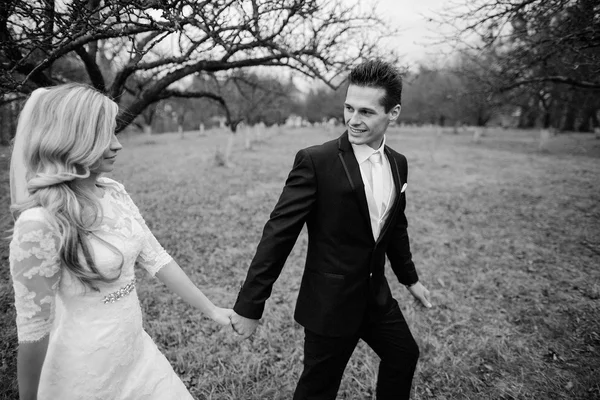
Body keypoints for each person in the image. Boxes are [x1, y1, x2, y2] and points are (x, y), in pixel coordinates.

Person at [8, 83, 233, 400]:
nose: (117, 146)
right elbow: (33, 332)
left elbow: (157, 257)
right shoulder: (39, 226)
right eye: (104, 137)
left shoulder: (113, 191)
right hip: (84, 375)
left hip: (137, 356)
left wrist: (211, 310)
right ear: (72, 141)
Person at [230, 59, 432, 399]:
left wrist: (410, 279)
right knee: (318, 390)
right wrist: (250, 306)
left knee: (404, 355)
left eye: (366, 112)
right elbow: (278, 235)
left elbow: (395, 225)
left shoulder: (398, 163)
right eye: (349, 108)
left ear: (393, 113)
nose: (353, 120)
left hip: (376, 298)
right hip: (330, 304)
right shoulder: (316, 161)